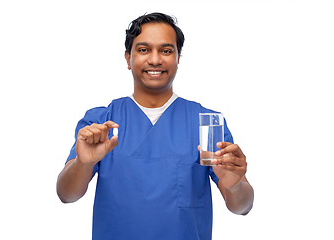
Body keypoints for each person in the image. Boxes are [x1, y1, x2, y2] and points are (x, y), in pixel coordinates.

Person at [57, 12, 254, 240]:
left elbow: (242, 207)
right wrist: (83, 163)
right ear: (127, 57)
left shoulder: (206, 123)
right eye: (143, 50)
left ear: (178, 57)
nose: (155, 59)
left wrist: (235, 186)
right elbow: (66, 194)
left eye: (166, 50)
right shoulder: (101, 123)